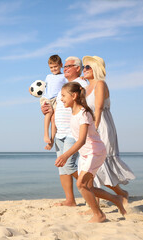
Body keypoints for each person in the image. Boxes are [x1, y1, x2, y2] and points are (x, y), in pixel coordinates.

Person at [55, 82, 126, 223]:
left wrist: (65, 155)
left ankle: (99, 215)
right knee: (87, 187)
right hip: (85, 154)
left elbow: (81, 141)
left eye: (63, 95)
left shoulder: (84, 113)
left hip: (95, 152)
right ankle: (116, 199)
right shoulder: (73, 113)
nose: (61, 99)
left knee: (81, 184)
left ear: (74, 96)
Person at [82, 56, 135, 204]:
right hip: (90, 126)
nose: (84, 69)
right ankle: (96, 205)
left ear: (96, 68)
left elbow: (98, 108)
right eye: (83, 67)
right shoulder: (86, 88)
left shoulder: (100, 84)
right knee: (92, 166)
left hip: (101, 126)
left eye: (87, 67)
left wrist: (95, 128)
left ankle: (121, 193)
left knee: (100, 164)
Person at [41, 56, 87, 206]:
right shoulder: (62, 88)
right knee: (62, 168)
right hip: (60, 132)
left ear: (78, 68)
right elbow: (55, 113)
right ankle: (70, 200)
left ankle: (90, 188)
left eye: (68, 66)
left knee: (68, 165)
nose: (65, 69)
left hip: (72, 132)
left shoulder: (80, 84)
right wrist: (52, 135)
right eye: (65, 66)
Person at [39, 55, 67, 149]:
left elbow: (71, 83)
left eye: (55, 66)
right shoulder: (48, 76)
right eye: (51, 67)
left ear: (61, 65)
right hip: (46, 98)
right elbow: (41, 87)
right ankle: (46, 134)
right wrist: (31, 91)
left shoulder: (64, 76)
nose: (54, 69)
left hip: (56, 99)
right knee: (48, 113)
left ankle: (51, 139)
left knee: (54, 118)